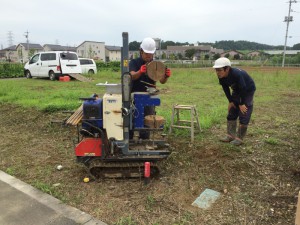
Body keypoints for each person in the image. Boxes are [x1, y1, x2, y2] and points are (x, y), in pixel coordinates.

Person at [129, 37, 171, 139]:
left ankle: (144, 140)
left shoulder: (155, 64)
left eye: (151, 54)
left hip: (149, 96)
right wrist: (140, 72)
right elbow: (131, 75)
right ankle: (129, 140)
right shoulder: (134, 62)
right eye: (147, 53)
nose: (149, 56)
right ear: (141, 51)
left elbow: (162, 81)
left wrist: (166, 76)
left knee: (147, 121)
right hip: (134, 96)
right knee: (130, 120)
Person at [213, 57, 256, 145]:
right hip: (237, 90)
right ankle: (230, 135)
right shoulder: (221, 76)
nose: (217, 72)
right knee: (232, 111)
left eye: (220, 70)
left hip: (247, 90)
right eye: (216, 70)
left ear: (227, 68)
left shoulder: (237, 74)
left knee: (244, 111)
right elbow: (225, 88)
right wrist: (230, 101)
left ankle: (239, 138)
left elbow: (243, 88)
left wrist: (242, 103)